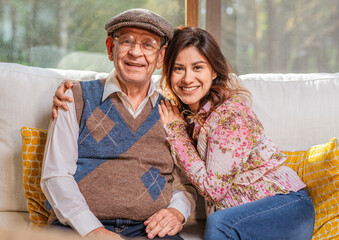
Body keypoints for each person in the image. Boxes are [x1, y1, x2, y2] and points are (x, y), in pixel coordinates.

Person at [41, 9, 196, 240]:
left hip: (150, 230)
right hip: (78, 228)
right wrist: (93, 230)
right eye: (127, 42)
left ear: (161, 58)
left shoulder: (173, 113)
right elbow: (56, 175)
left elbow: (185, 185)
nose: (135, 52)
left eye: (148, 44)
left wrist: (176, 212)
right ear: (111, 48)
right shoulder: (74, 98)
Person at [157, 27, 315, 240]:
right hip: (244, 218)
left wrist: (176, 133)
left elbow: (214, 190)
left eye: (197, 67)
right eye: (178, 68)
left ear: (214, 71)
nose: (187, 78)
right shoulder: (184, 115)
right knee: (222, 222)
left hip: (286, 208)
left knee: (220, 224)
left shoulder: (230, 115)